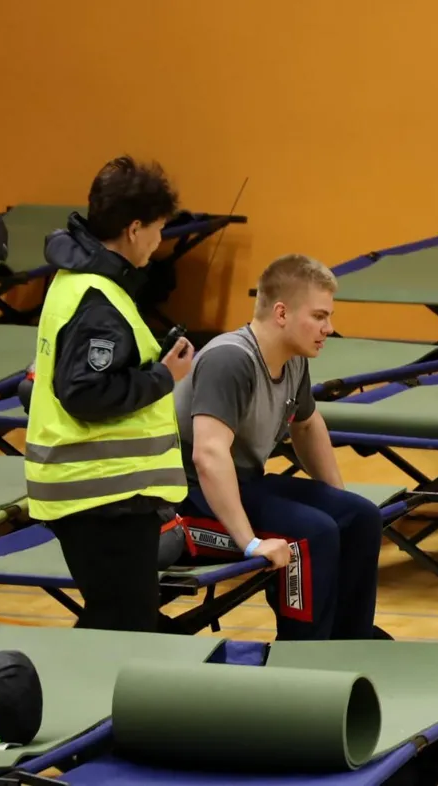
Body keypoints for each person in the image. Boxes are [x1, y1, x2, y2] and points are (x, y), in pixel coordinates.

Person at [22, 155, 196, 632]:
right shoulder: (97, 296)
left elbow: (56, 380)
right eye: (159, 230)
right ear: (135, 228)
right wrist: (164, 376)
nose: (160, 243)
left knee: (116, 620)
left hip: (96, 492)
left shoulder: (76, 282)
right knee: (122, 625)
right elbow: (83, 393)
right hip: (104, 496)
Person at [174, 254, 384, 641]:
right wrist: (250, 542)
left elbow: (307, 425)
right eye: (319, 317)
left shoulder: (293, 360)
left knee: (361, 517)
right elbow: (208, 456)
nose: (329, 328)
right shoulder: (229, 360)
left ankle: (351, 644)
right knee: (312, 534)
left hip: (243, 485)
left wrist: (337, 499)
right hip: (185, 504)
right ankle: (304, 657)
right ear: (282, 313)